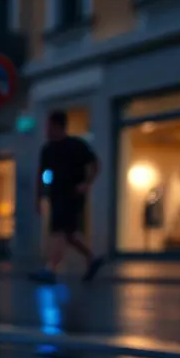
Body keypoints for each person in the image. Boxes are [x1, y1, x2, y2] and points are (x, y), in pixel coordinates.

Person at [34, 111, 103, 282]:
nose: (46, 130)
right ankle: (92, 259)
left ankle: (51, 269)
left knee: (59, 232)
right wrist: (38, 198)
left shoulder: (77, 145)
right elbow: (40, 174)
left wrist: (86, 183)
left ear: (57, 126)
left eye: (49, 126)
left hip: (73, 195)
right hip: (56, 195)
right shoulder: (48, 149)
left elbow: (95, 164)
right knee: (69, 233)